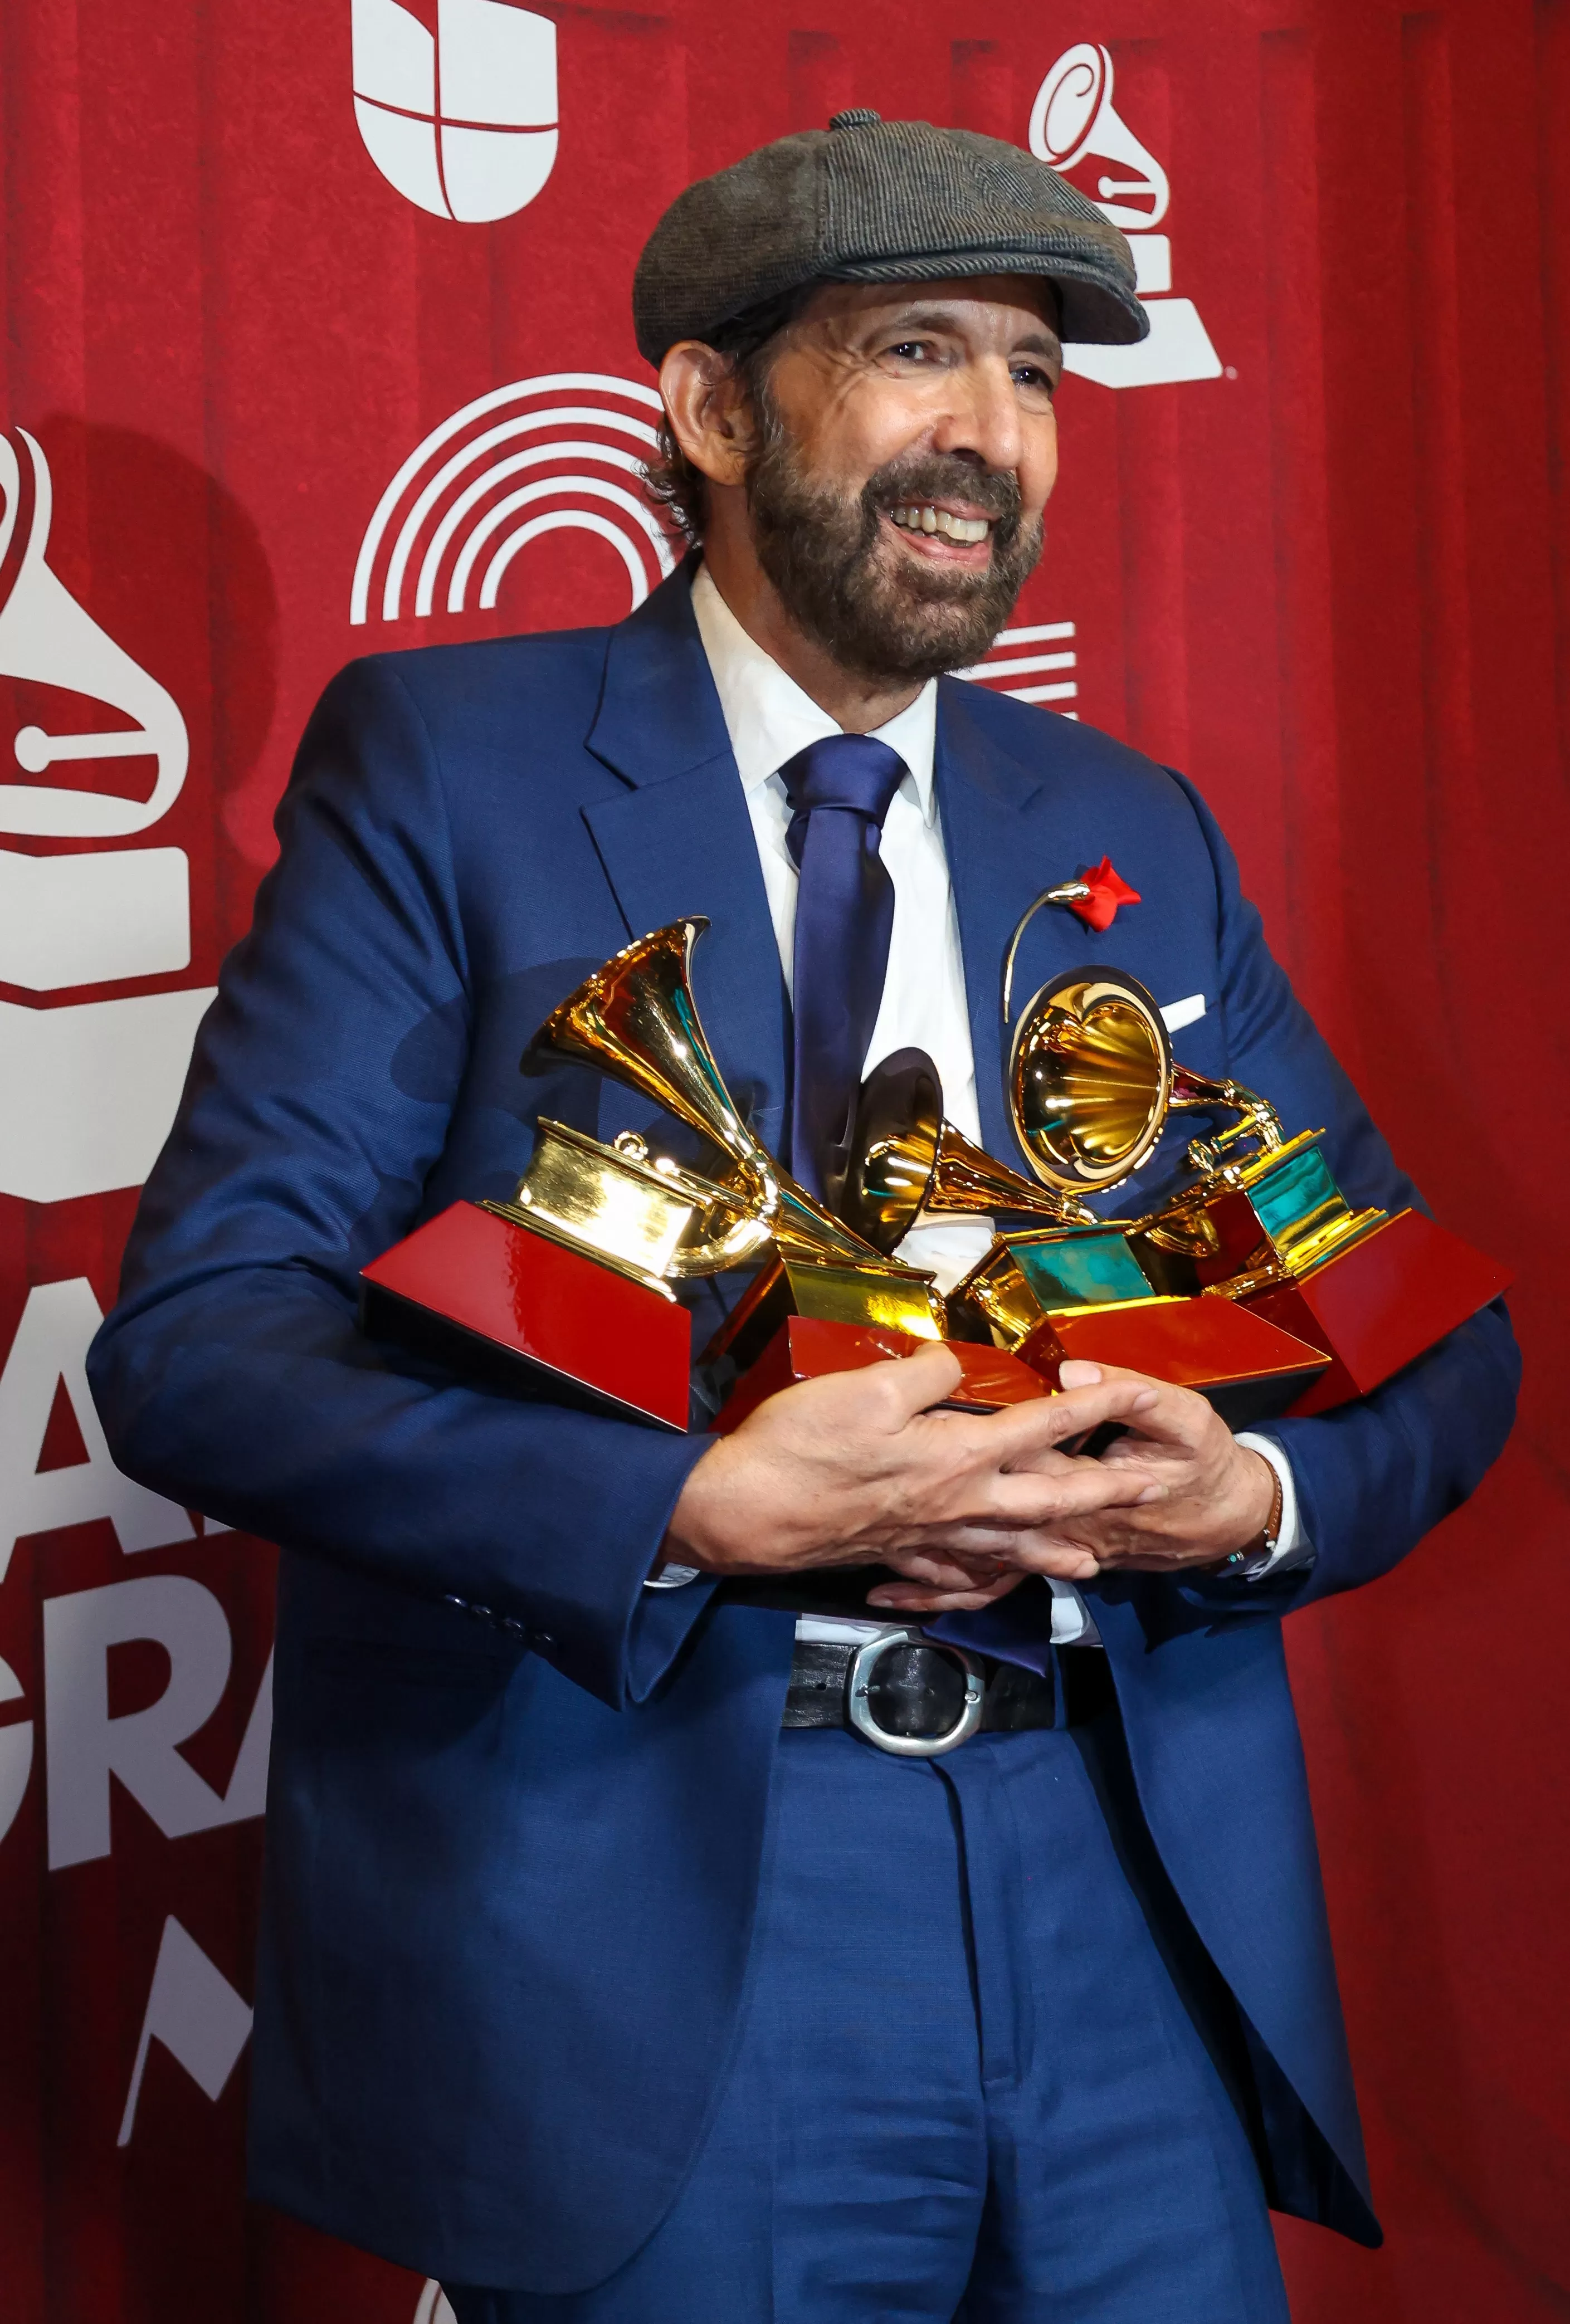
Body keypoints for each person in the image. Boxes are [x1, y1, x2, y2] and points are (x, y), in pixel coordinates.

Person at [89, 110, 1518, 2323]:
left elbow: (1427, 1340)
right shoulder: (447, 766)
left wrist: (1245, 1494)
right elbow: (199, 1339)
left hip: (1119, 1885)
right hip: (674, 1888)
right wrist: (681, 1502)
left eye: (1036, 375)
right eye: (917, 353)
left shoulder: (1129, 822)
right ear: (707, 406)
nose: (991, 435)